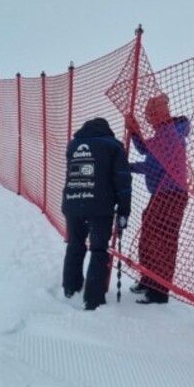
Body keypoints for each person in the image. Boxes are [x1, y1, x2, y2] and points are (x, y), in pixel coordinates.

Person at [126, 93, 190, 305]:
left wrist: (128, 167)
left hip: (170, 195)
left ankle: (158, 291)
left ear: (158, 114)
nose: (148, 118)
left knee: (161, 242)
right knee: (149, 236)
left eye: (150, 113)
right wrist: (135, 131)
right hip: (163, 195)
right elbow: (146, 148)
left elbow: (153, 164)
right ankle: (148, 279)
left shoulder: (168, 135)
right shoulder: (164, 133)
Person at [61, 117, 131, 311]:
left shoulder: (73, 145)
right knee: (99, 250)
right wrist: (124, 210)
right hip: (100, 207)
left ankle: (70, 287)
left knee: (75, 244)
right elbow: (123, 180)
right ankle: (93, 298)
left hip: (72, 204)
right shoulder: (112, 146)